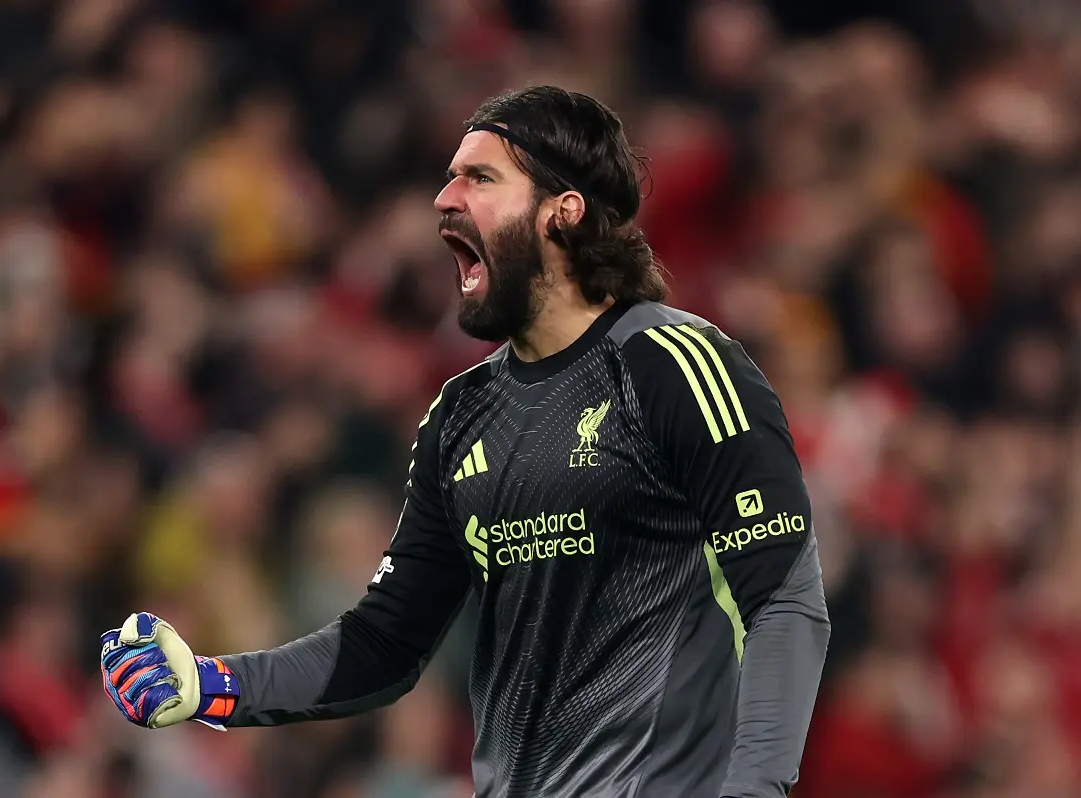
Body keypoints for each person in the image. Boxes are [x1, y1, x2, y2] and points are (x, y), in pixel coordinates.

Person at [99, 85, 831, 798]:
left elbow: (783, 599)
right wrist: (210, 685)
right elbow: (385, 642)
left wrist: (755, 788)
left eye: (480, 178)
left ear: (563, 211)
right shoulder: (460, 414)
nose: (445, 198)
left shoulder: (677, 367)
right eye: (451, 178)